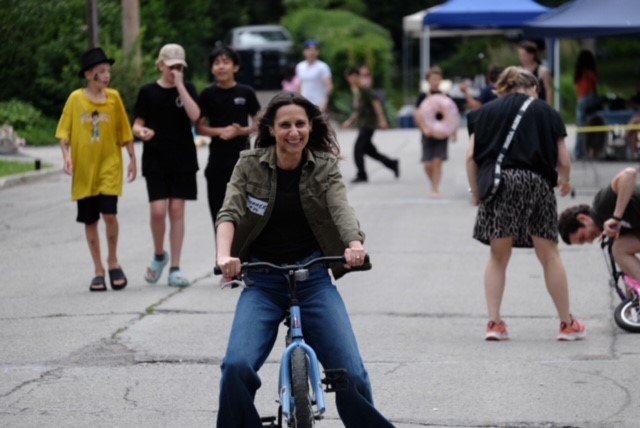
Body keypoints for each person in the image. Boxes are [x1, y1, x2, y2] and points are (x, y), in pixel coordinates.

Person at [215, 92, 393, 427]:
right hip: (263, 282)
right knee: (236, 365)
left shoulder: (323, 166)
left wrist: (353, 245)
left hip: (312, 281)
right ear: (271, 128)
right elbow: (230, 211)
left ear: (310, 126)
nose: (293, 132)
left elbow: (341, 209)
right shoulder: (249, 163)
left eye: (300, 124)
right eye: (285, 125)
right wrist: (224, 256)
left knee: (351, 373)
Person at [466, 66, 586, 341]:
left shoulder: (484, 113)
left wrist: (476, 192)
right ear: (533, 87)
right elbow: (564, 160)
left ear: (503, 88)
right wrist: (565, 181)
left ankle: (495, 324)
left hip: (500, 184)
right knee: (549, 255)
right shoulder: (547, 112)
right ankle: (567, 324)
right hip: (537, 183)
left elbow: (471, 157)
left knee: (498, 257)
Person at [56, 47, 137, 292]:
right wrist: (67, 157)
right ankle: (98, 270)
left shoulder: (114, 98)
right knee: (90, 219)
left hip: (109, 166)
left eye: (108, 71)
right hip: (83, 170)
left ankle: (113, 261)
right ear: (90, 74)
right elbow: (64, 133)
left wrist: (133, 158)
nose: (106, 75)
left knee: (109, 214)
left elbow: (125, 131)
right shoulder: (75, 99)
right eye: (101, 71)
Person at [133, 43, 200, 288]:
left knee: (177, 211)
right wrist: (141, 131)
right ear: (160, 65)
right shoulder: (148, 91)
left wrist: (180, 85)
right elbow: (136, 124)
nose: (175, 70)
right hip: (155, 158)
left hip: (182, 158)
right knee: (158, 211)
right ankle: (160, 255)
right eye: (171, 66)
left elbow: (195, 116)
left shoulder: (188, 88)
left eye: (179, 66)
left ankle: (176, 267)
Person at [197, 45, 261, 230]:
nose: (221, 66)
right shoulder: (207, 94)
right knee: (218, 214)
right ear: (211, 69)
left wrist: (240, 131)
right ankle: (221, 256)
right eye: (217, 63)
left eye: (226, 62)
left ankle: (244, 257)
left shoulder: (246, 92)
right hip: (216, 163)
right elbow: (200, 127)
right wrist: (220, 131)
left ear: (236, 67)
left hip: (243, 163)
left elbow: (259, 124)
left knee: (244, 215)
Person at [558, 167, 640, 294]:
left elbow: (630, 174)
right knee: (619, 248)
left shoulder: (601, 205)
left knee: (619, 248)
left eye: (582, 237)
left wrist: (616, 217)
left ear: (583, 219)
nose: (590, 241)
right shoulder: (608, 229)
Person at [342, 67, 398, 183]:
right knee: (370, 151)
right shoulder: (358, 92)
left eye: (352, 78)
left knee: (358, 149)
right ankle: (392, 164)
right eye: (349, 79)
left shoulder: (365, 90)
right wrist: (350, 121)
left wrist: (382, 120)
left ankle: (362, 175)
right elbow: (359, 111)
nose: (351, 81)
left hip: (369, 125)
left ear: (357, 77)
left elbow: (376, 104)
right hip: (364, 125)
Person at [413, 66, 457, 197]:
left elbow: (452, 115)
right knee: (427, 164)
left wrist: (454, 132)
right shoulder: (423, 96)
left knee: (438, 161)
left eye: (438, 79)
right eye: (433, 79)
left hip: (442, 133)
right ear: (428, 81)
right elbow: (418, 114)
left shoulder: (446, 96)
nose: (435, 81)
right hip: (427, 133)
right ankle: (433, 183)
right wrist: (424, 128)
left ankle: (436, 188)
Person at [573, 49, 600, 159]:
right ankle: (584, 151)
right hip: (589, 98)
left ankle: (579, 151)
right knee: (590, 126)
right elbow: (598, 81)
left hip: (581, 98)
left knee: (580, 126)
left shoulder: (578, 72)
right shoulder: (589, 72)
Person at [295, 39, 333, 113]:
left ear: (318, 52)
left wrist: (325, 102)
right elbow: (299, 85)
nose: (311, 52)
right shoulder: (300, 66)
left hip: (319, 103)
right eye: (309, 50)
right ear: (304, 52)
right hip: (304, 103)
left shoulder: (323, 67)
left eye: (314, 50)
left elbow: (329, 86)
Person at [518, 41, 554, 105]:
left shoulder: (542, 71)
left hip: (539, 105)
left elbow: (549, 90)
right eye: (520, 55)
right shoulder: (518, 70)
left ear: (532, 55)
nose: (521, 58)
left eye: (524, 55)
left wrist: (548, 107)